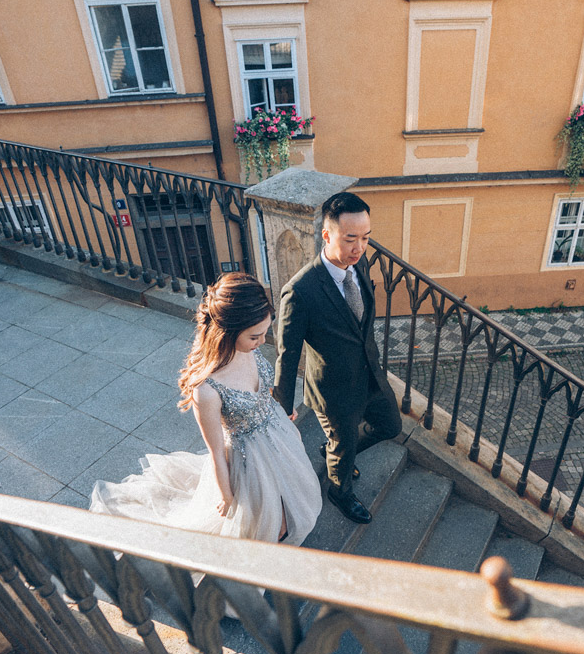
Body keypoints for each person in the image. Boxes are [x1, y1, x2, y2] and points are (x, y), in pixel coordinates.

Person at [90, 272, 322, 546]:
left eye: (264, 333)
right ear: (229, 332)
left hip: (277, 434)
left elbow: (260, 389)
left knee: (288, 496)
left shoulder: (249, 350)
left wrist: (276, 410)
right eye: (255, 336)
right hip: (248, 459)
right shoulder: (208, 389)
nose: (262, 342)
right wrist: (227, 497)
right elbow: (216, 452)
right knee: (268, 519)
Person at [273, 191, 402, 525]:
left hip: (370, 375)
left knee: (390, 426)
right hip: (333, 390)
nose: (359, 247)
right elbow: (287, 354)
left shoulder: (360, 263)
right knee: (342, 451)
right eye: (350, 239)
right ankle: (339, 492)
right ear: (326, 235)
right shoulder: (300, 291)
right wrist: (283, 406)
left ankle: (336, 451)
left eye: (365, 237)